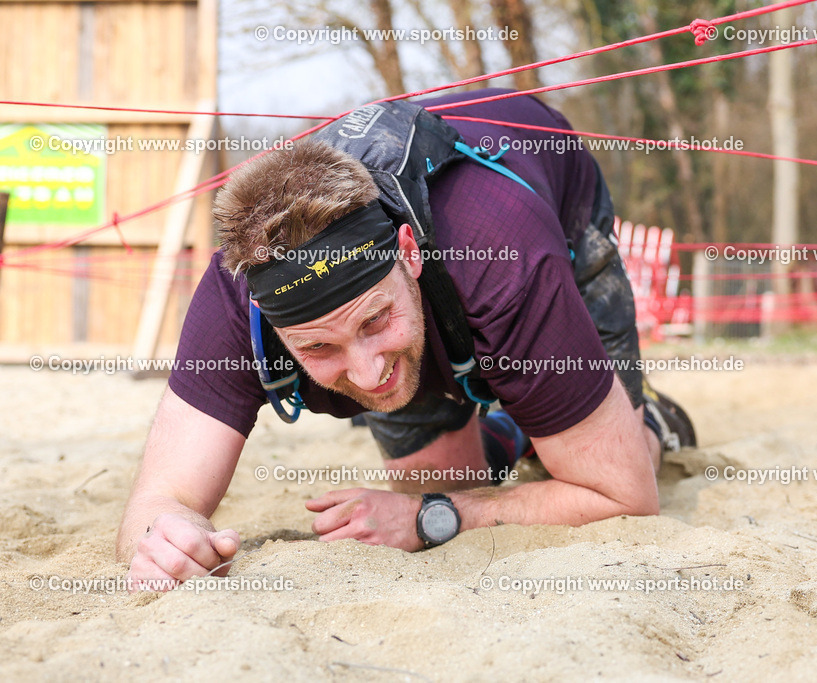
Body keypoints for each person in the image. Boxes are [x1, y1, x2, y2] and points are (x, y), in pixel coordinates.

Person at [117, 88, 695, 589]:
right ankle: (530, 427)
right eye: (319, 347)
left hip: (550, 189)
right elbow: (157, 503)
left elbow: (627, 500)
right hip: (438, 305)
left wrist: (427, 518)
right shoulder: (232, 297)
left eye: (373, 320)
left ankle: (642, 421)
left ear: (408, 253)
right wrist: (163, 538)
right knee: (452, 483)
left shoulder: (501, 255)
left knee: (619, 467)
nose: (367, 373)